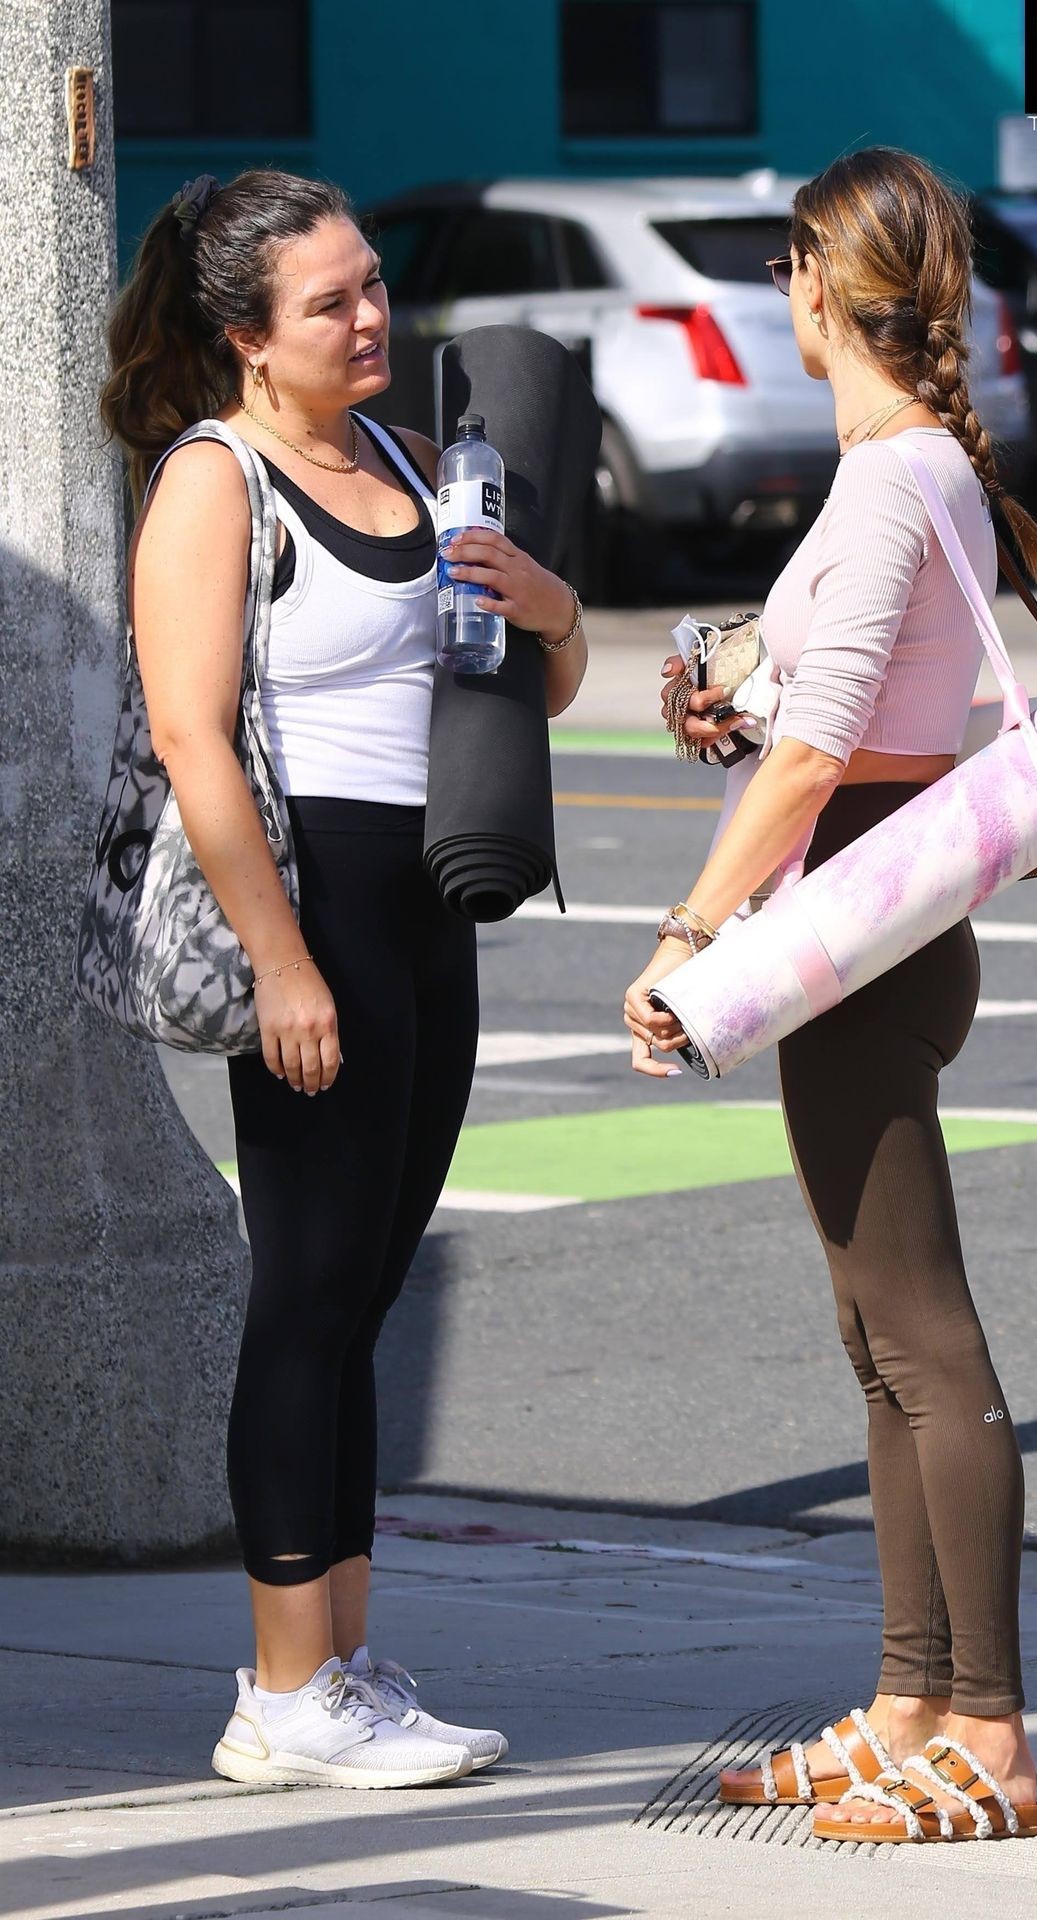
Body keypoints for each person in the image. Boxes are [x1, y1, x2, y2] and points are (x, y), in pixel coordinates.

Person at [101, 169, 588, 1789]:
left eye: (374, 282)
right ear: (250, 337)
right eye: (333, 300)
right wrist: (281, 963)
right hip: (311, 912)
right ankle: (281, 1690)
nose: (373, 314)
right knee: (304, 1299)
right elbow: (191, 740)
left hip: (425, 914)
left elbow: (523, 680)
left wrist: (553, 608)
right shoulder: (213, 481)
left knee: (365, 1298)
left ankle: (346, 1670)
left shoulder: (405, 455)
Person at [623, 148, 1037, 1844]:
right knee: (880, 1341)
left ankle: (992, 1738)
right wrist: (729, 688)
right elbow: (821, 709)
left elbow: (818, 758)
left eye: (784, 268)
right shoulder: (896, 467)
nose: (781, 293)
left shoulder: (894, 478)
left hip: (860, 922)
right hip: (867, 911)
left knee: (923, 1335)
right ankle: (909, 1703)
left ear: (820, 277)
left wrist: (686, 933)